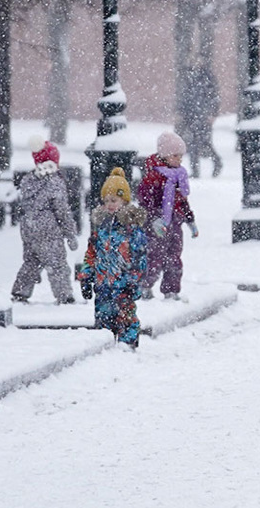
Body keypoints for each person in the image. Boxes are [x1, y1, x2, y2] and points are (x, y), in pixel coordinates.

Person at [78, 169, 152, 348]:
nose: (109, 205)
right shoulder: (101, 227)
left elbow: (140, 257)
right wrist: (86, 276)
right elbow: (91, 253)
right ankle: (107, 348)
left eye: (114, 200)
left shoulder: (131, 229)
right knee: (104, 319)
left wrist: (133, 279)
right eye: (106, 201)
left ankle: (128, 347)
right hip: (103, 284)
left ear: (124, 201)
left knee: (126, 318)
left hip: (123, 285)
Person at [11, 137, 79, 304]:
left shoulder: (28, 180)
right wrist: (70, 234)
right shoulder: (54, 182)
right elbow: (62, 211)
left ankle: (20, 292)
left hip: (28, 228)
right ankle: (65, 295)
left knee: (31, 262)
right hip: (48, 229)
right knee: (57, 264)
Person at [135, 132, 196, 300]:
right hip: (157, 225)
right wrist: (154, 218)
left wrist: (190, 220)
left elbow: (182, 201)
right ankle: (144, 285)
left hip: (175, 223)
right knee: (154, 256)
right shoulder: (153, 177)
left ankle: (171, 289)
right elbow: (145, 201)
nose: (179, 159)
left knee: (174, 257)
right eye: (175, 155)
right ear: (165, 155)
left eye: (181, 156)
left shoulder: (179, 176)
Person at [177, 63, 222, 177]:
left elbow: (214, 96)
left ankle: (217, 162)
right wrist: (182, 112)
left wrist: (212, 113)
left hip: (203, 116)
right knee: (193, 143)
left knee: (204, 143)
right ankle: (195, 170)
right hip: (192, 115)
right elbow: (186, 95)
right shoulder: (189, 75)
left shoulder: (207, 77)